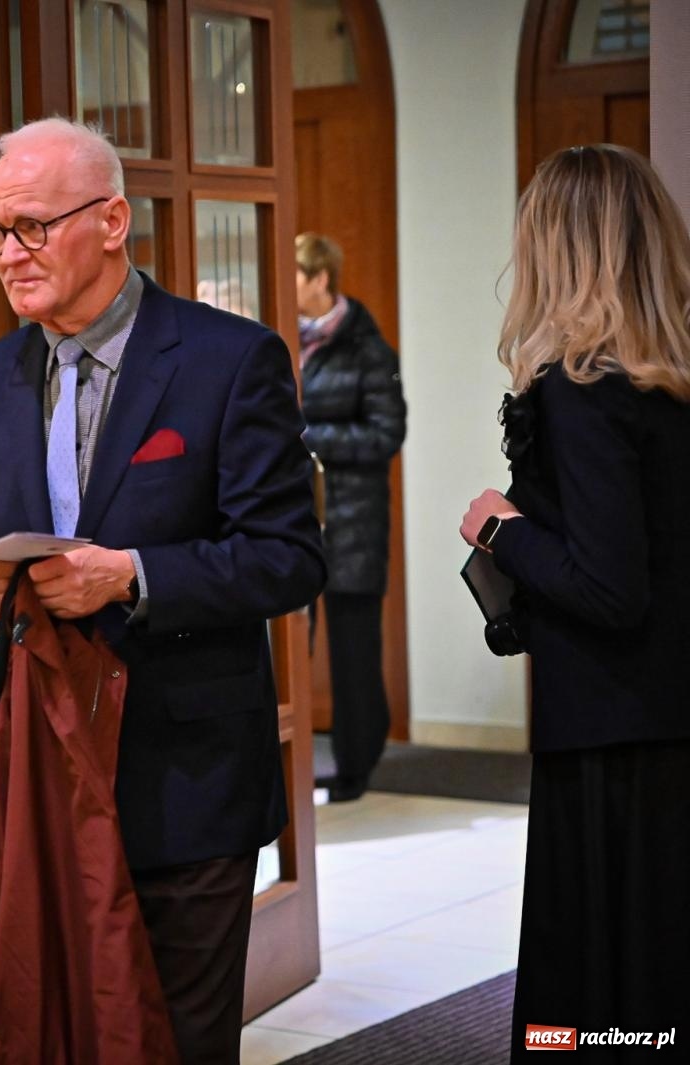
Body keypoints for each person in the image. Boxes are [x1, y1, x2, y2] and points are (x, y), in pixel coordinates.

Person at [0, 117, 324, 1064]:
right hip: (38, 784)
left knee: (177, 1044)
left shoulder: (230, 359)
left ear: (111, 221)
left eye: (30, 227)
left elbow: (288, 556)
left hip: (184, 781)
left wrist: (133, 575)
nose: (6, 255)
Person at [458, 144, 690, 1059]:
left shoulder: (584, 388)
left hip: (609, 735)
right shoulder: (668, 385)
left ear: (557, 245)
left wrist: (498, 528)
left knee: (593, 1013)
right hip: (665, 718)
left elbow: (607, 586)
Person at [295, 232, 407, 802]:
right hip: (298, 520)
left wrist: (311, 437)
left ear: (320, 279)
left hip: (354, 521)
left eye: (297, 273)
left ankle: (357, 764)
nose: (288, 284)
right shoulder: (283, 340)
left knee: (353, 649)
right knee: (291, 641)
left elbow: (388, 433)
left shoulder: (367, 346)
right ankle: (289, 765)